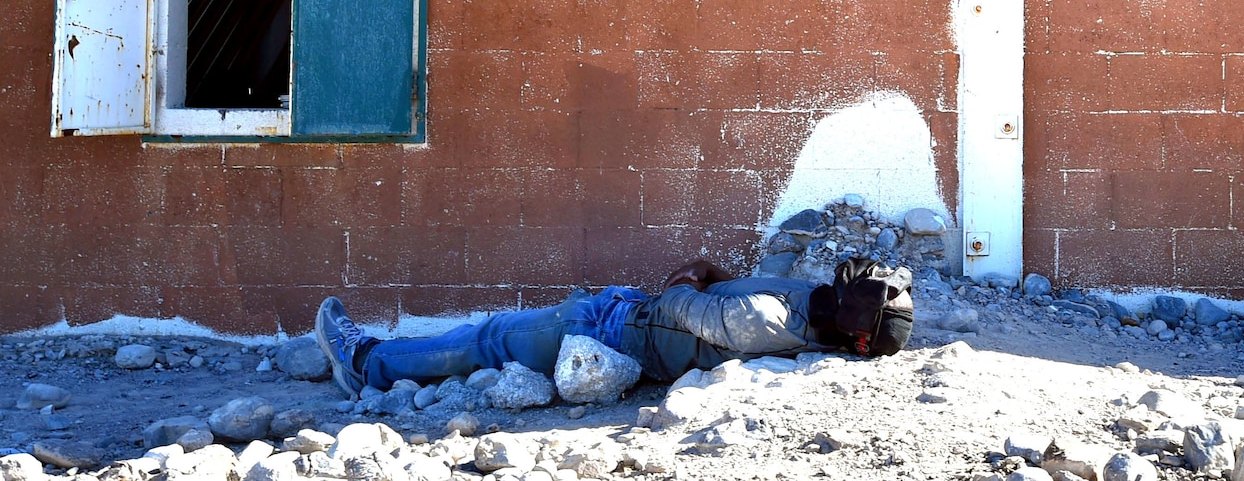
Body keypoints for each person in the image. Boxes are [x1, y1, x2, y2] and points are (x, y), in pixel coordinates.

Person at [313, 256, 913, 399]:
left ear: (851, 312)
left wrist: (694, 273)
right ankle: (379, 360)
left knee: (487, 340)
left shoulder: (767, 318)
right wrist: (718, 275)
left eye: (855, 285)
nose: (847, 276)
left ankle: (363, 361)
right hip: (625, 322)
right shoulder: (809, 311)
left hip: (610, 330)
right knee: (488, 340)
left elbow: (685, 306)